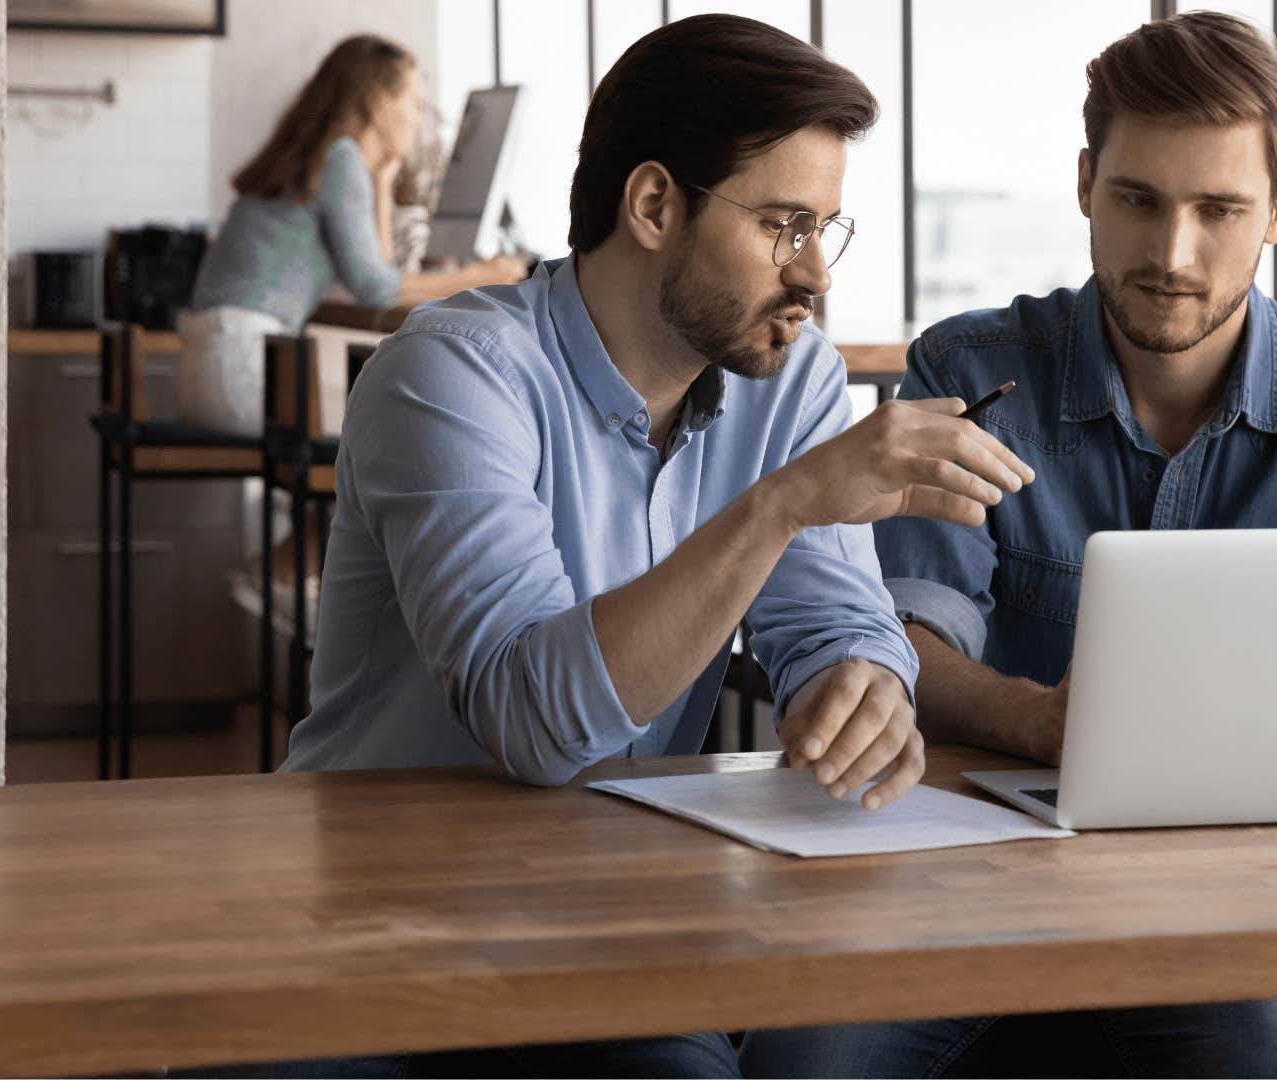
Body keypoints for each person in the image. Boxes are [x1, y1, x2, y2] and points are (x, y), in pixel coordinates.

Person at [740, 11, 1277, 1078]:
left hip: (1250, 898)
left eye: (1219, 209)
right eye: (1138, 200)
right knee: (808, 1063)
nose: (1171, 254)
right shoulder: (976, 368)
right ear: (1087, 182)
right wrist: (1038, 723)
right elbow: (904, 641)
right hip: (968, 878)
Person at [263, 15, 1032, 1077]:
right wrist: (784, 504)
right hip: (369, 927)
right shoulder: (450, 377)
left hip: (609, 916)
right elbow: (532, 724)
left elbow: (834, 620)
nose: (813, 276)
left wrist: (865, 685)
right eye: (784, 225)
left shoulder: (788, 376)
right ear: (656, 204)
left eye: (827, 230)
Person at [179, 34, 527, 633]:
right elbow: (375, 286)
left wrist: (385, 179)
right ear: (376, 101)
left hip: (214, 361)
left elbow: (376, 272)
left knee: (372, 432)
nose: (419, 117)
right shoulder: (340, 157)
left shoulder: (325, 156)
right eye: (413, 102)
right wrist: (490, 274)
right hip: (244, 366)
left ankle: (286, 570)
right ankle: (309, 587)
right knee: (394, 435)